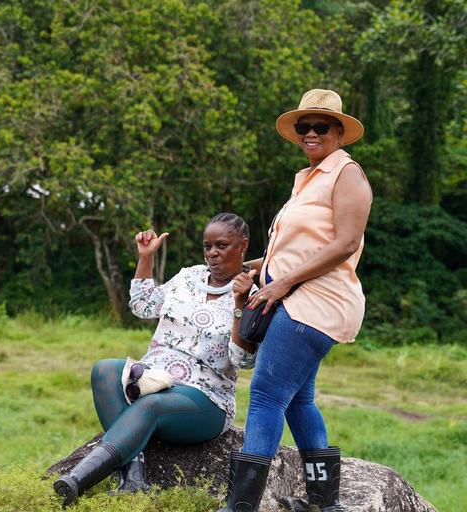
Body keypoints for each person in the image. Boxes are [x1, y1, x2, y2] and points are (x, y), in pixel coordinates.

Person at [216, 89, 372, 512]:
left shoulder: (347, 174)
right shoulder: (306, 179)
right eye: (304, 127)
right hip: (296, 294)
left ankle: (239, 506)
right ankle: (325, 504)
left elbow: (345, 243)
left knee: (266, 393)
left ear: (339, 131)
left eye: (321, 126)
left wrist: (281, 282)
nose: (311, 133)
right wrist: (243, 266)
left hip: (319, 301)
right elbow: (298, 249)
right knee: (298, 399)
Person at [54, 213, 258, 507]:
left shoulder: (250, 292)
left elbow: (244, 359)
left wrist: (240, 305)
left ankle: (77, 480)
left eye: (222, 245)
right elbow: (142, 305)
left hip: (206, 399)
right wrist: (145, 258)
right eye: (207, 246)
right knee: (104, 370)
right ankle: (134, 480)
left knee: (149, 405)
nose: (212, 253)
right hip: (154, 377)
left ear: (242, 246)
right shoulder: (189, 276)